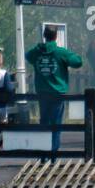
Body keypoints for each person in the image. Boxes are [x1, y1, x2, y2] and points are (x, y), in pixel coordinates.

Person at [26, 26, 84, 155]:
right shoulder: (61, 52)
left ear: (44, 35)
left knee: (44, 122)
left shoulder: (37, 52)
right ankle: (53, 154)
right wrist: (73, 54)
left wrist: (38, 48)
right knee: (56, 123)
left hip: (42, 92)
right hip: (57, 92)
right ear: (56, 36)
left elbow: (28, 56)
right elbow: (78, 62)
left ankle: (43, 153)